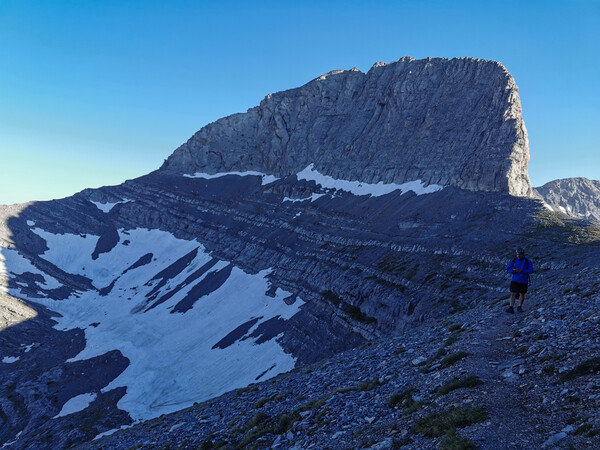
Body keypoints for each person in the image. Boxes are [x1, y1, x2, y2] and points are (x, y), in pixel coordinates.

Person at [506, 248, 534, 313]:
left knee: (522, 294)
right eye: (517, 254)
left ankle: (519, 306)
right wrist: (513, 271)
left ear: (523, 254)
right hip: (515, 280)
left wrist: (522, 271)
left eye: (520, 254)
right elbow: (508, 268)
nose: (518, 256)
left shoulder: (527, 261)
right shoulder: (514, 260)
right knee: (513, 293)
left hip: (524, 281)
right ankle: (511, 307)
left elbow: (531, 270)